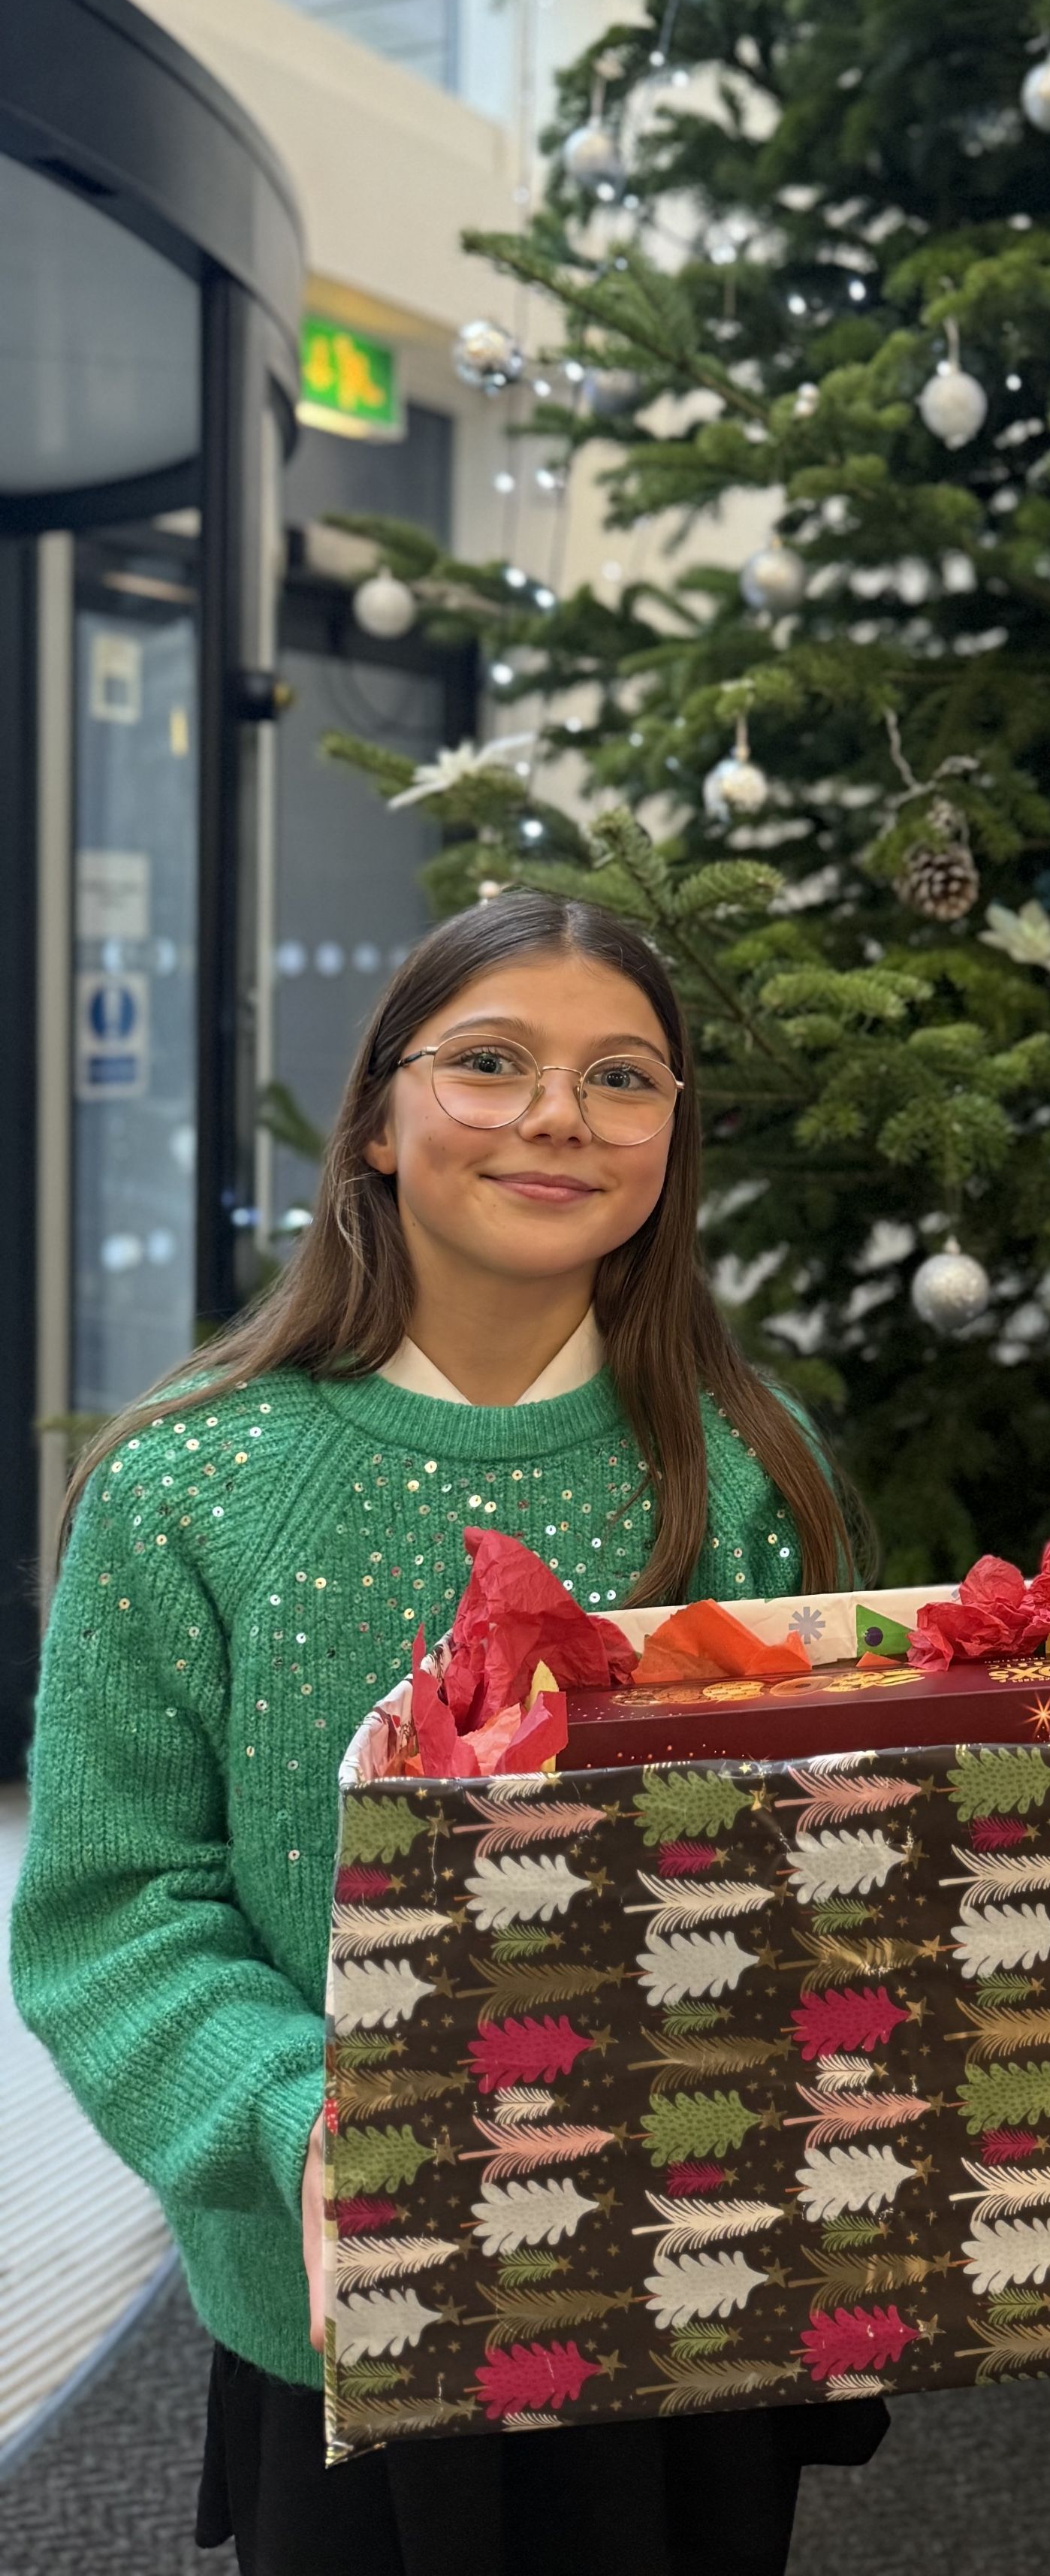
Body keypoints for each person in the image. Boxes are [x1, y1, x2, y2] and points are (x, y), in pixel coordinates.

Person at [12, 889, 880, 2576]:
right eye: (491, 1063)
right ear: (381, 1124)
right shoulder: (188, 1484)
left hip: (685, 2272)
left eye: (622, 1078)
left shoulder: (754, 1477)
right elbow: (114, 1911)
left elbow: (841, 1849)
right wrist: (312, 2123)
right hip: (349, 2300)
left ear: (672, 1145)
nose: (558, 1114)